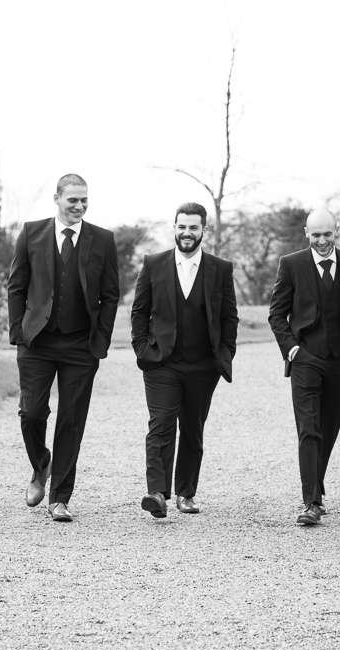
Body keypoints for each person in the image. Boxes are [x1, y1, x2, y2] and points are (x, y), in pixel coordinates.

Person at [7, 174, 119, 522]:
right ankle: (41, 465)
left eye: (84, 200)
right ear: (57, 198)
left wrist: (100, 337)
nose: (79, 206)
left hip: (80, 345)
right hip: (37, 341)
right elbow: (16, 286)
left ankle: (60, 498)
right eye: (73, 200)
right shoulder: (31, 232)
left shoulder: (102, 239)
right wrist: (17, 332)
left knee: (72, 420)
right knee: (32, 414)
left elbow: (111, 294)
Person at [130, 202, 238, 518]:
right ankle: (157, 493)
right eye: (181, 226)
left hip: (204, 366)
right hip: (161, 362)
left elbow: (229, 316)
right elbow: (139, 311)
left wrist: (225, 353)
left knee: (192, 429)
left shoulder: (221, 269)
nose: (186, 233)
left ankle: (186, 493)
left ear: (204, 229)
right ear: (173, 227)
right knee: (160, 425)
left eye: (193, 227)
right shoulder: (153, 264)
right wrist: (142, 349)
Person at [268, 209, 340, 526]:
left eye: (328, 234)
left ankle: (316, 485)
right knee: (309, 429)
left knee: (328, 428)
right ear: (306, 233)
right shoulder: (291, 264)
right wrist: (293, 350)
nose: (322, 241)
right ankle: (311, 501)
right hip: (305, 360)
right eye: (316, 235)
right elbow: (276, 314)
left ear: (336, 231)